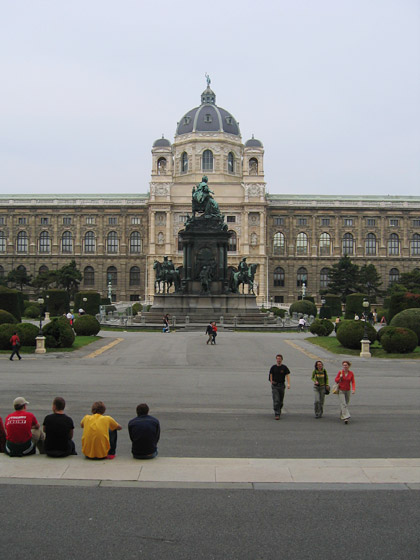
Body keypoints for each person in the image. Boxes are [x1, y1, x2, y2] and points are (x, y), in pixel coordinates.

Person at [268, 354, 291, 420]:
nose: (278, 360)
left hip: (281, 385)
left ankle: (279, 409)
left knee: (280, 401)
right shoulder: (273, 367)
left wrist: (288, 383)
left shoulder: (284, 367)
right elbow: (271, 374)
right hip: (275, 386)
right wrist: (271, 381)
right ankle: (277, 413)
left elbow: (287, 375)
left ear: (281, 360)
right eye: (277, 359)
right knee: (276, 400)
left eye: (280, 359)